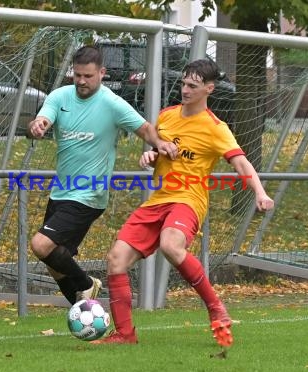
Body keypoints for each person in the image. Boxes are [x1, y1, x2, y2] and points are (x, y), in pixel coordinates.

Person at [91, 59, 275, 346]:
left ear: (209, 89)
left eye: (193, 86)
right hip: (158, 200)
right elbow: (159, 152)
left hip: (188, 199)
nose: (185, 90)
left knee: (170, 245)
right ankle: (125, 335)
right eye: (183, 84)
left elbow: (241, 163)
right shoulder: (166, 116)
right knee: (116, 260)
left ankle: (216, 307)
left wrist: (260, 193)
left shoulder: (215, 127)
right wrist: (151, 156)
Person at [27, 46, 178, 305]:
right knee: (55, 261)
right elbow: (42, 120)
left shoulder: (112, 103)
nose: (82, 81)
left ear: (102, 73)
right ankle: (83, 312)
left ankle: (88, 284)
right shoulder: (59, 97)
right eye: (77, 75)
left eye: (88, 76)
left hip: (90, 194)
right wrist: (36, 126)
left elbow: (144, 128)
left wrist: (160, 143)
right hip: (61, 191)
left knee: (41, 245)